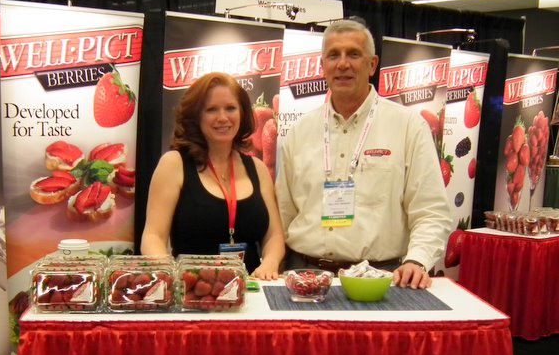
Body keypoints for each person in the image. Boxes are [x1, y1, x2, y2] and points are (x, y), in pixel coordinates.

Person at [276, 19, 452, 289]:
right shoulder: (300, 132)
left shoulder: (408, 127)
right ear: (322, 66)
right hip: (304, 274)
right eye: (333, 55)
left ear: (372, 64)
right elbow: (283, 213)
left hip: (380, 279)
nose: (342, 64)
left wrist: (417, 260)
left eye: (353, 54)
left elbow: (431, 210)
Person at [141, 72, 285, 280]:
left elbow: (274, 236)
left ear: (242, 113)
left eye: (230, 108)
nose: (223, 117)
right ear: (196, 116)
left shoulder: (258, 168)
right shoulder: (174, 164)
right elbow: (153, 236)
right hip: (193, 289)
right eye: (211, 109)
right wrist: (171, 275)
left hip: (250, 289)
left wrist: (270, 264)